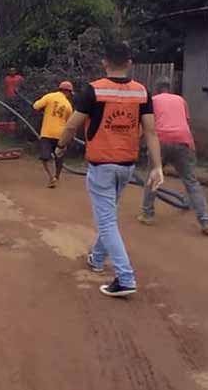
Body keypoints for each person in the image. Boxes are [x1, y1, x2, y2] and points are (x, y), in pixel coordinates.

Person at [55, 42, 163, 298]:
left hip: (102, 166)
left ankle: (125, 278)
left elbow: (71, 126)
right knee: (109, 216)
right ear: (129, 63)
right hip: (126, 166)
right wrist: (157, 166)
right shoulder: (142, 92)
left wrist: (60, 148)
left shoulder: (93, 91)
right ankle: (96, 258)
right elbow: (151, 131)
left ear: (105, 62)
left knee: (106, 221)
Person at [137, 81, 208, 236]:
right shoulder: (181, 100)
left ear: (157, 90)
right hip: (183, 141)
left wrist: (137, 143)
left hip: (160, 141)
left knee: (153, 177)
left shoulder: (153, 101)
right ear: (170, 89)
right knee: (191, 182)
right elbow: (186, 122)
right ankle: (205, 221)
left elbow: (146, 125)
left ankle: (148, 215)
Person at [33, 81, 74, 188]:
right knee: (59, 157)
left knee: (45, 157)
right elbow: (70, 123)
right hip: (61, 135)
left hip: (47, 133)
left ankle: (51, 177)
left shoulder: (49, 97)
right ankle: (57, 176)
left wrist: (44, 109)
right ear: (68, 92)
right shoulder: (68, 105)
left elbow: (36, 106)